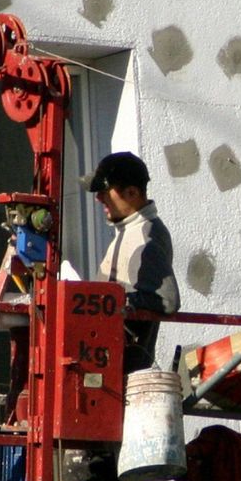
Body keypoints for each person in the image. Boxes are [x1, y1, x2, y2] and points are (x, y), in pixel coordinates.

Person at [87, 150, 179, 373]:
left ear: (132, 193)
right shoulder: (130, 231)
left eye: (105, 191)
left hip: (123, 369)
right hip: (110, 363)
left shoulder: (146, 236)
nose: (98, 198)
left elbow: (168, 301)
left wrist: (116, 301)